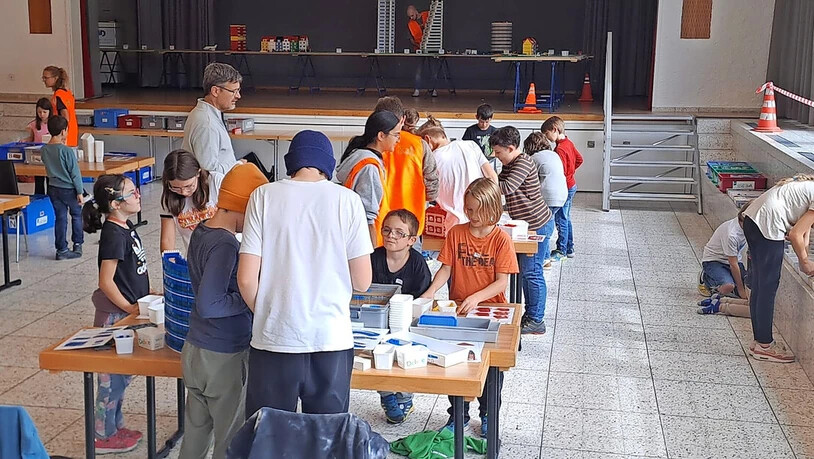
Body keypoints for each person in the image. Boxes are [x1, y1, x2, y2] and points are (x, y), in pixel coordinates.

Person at [238, 130, 373, 418]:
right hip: (331, 339)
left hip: (274, 339)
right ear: (328, 164)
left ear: (292, 162)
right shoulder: (348, 201)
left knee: (268, 438)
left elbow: (247, 279)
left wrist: (270, 313)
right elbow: (363, 282)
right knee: (325, 438)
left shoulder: (263, 196)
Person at [180, 163, 268, 459]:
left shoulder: (203, 231)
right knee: (230, 438)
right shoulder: (226, 244)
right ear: (244, 207)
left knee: (195, 434)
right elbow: (210, 303)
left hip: (195, 350)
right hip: (222, 356)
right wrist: (249, 296)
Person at [420, 178, 518, 437]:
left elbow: (501, 282)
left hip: (490, 312)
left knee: (491, 370)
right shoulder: (456, 233)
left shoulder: (501, 240)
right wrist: (429, 294)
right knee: (457, 366)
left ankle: (488, 414)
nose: (471, 215)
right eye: (468, 209)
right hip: (459, 311)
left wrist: (476, 297)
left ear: (492, 209)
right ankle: (458, 415)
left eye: (476, 210)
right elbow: (446, 268)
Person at [82, 174, 147, 454]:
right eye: (132, 193)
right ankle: (102, 434)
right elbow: (106, 281)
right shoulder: (112, 234)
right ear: (115, 203)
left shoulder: (126, 224)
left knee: (123, 375)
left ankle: (115, 427)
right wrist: (130, 307)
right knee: (110, 379)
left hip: (127, 313)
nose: (138, 195)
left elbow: (132, 269)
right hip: (114, 318)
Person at [742, 174, 814, 363]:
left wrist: (803, 257)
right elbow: (796, 233)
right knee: (768, 286)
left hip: (753, 219)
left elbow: (804, 231)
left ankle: (759, 342)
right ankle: (765, 345)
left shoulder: (808, 186)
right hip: (768, 224)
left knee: (759, 284)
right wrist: (805, 262)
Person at [492, 127, 554, 334]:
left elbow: (506, 187)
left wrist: (484, 172)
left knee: (532, 272)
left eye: (499, 152)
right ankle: (527, 314)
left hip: (537, 223)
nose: (496, 156)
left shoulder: (523, 162)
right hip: (524, 224)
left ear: (511, 148)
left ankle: (537, 319)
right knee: (525, 272)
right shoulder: (509, 163)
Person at [373, 209, 431, 424]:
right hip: (377, 321)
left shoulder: (417, 264)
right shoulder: (374, 258)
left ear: (411, 240)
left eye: (399, 233)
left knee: (404, 360)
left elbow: (423, 298)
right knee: (378, 358)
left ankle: (405, 396)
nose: (391, 236)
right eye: (387, 230)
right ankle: (386, 395)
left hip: (407, 322)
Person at [181, 63, 271, 179]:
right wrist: (237, 165)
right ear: (215, 91)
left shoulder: (208, 114)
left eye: (238, 90)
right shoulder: (207, 124)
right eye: (233, 91)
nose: (238, 96)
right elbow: (209, 171)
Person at [374, 97, 439, 238]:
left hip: (378, 225)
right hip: (411, 225)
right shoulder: (419, 145)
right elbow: (432, 187)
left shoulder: (372, 144)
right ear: (402, 119)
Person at [335, 111, 402, 246]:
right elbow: (368, 217)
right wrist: (372, 253)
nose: (398, 140)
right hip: (363, 239)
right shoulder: (369, 167)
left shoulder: (358, 155)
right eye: (396, 135)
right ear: (381, 136)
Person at [419, 124, 497, 233]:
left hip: (451, 227)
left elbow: (425, 194)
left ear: (427, 140)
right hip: (482, 221)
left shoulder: (432, 160)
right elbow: (492, 177)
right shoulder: (471, 145)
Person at [160, 149, 223, 254]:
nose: (184, 192)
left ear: (198, 173)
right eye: (176, 187)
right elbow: (167, 240)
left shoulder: (216, 181)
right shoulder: (169, 196)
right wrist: (169, 262)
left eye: (188, 186)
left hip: (224, 252)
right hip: (196, 258)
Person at [41, 115, 84, 260]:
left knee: (60, 218)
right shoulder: (66, 151)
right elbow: (75, 173)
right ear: (63, 131)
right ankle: (77, 244)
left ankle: (61, 249)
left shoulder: (44, 149)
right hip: (69, 189)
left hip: (53, 187)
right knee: (76, 215)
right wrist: (80, 191)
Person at [542, 116, 583, 261]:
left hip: (565, 187)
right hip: (571, 184)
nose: (547, 138)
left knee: (561, 219)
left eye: (547, 134)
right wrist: (572, 173)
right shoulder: (569, 143)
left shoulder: (560, 149)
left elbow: (561, 172)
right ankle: (570, 247)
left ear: (554, 129)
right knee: (566, 217)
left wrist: (567, 174)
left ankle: (562, 250)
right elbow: (579, 159)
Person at [525, 131, 567, 268]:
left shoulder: (535, 158)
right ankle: (546, 257)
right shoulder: (554, 154)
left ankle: (543, 257)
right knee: (549, 222)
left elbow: (530, 179)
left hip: (548, 196)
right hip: (562, 195)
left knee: (543, 226)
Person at [700, 204, 749, 299]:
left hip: (734, 261)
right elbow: (733, 264)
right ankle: (706, 279)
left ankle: (729, 284)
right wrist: (741, 291)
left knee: (748, 283)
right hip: (714, 261)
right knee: (729, 286)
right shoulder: (732, 234)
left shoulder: (748, 228)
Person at [42, 66, 78, 147]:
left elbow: (65, 116)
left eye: (46, 78)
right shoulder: (67, 93)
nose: (44, 80)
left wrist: (62, 135)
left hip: (63, 134)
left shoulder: (59, 95)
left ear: (55, 78)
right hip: (71, 130)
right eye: (43, 78)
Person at [407, 5, 435, 98]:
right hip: (419, 49)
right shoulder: (410, 24)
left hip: (431, 47)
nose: (411, 18)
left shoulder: (427, 15)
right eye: (410, 16)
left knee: (433, 69)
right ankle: (417, 89)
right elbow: (411, 39)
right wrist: (418, 45)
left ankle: (433, 89)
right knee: (418, 70)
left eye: (412, 15)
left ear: (416, 12)